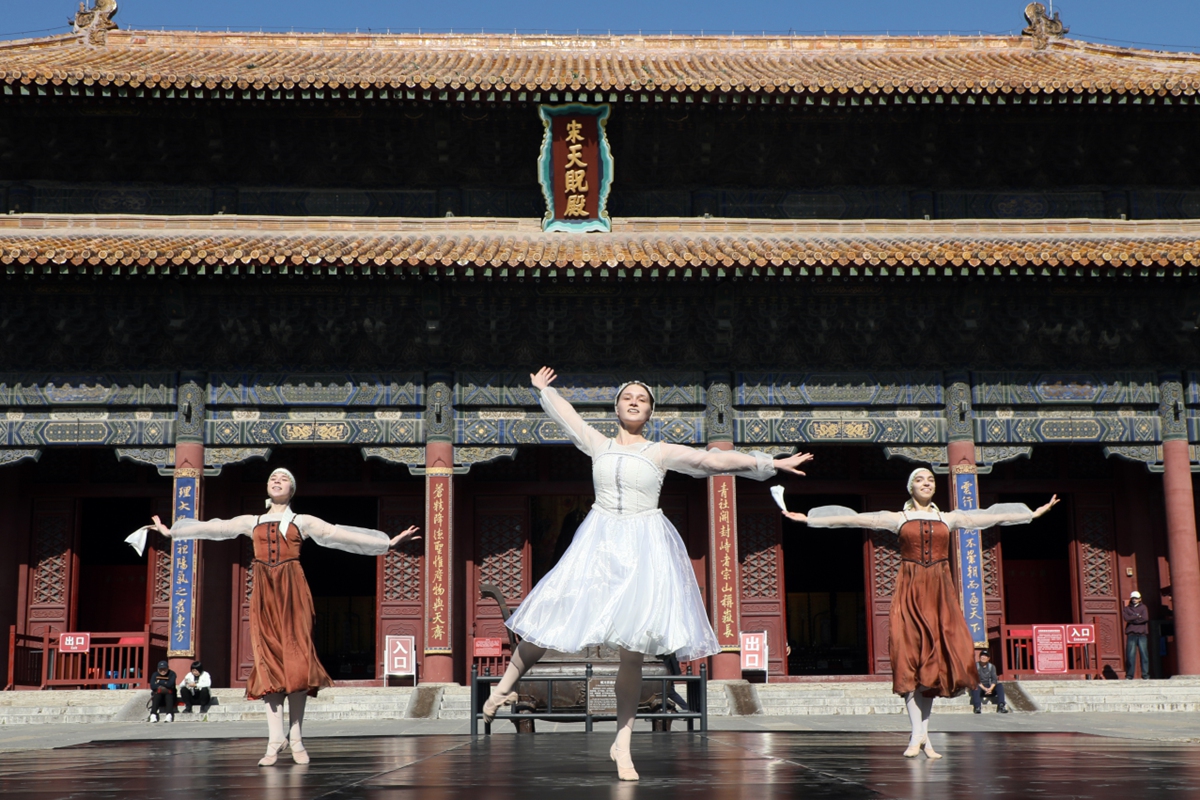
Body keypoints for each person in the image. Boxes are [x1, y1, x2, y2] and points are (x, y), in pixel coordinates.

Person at [487, 368, 813, 781]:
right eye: (628, 397)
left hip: (643, 548)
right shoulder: (599, 445)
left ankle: (622, 743)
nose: (635, 401)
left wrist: (768, 461)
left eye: (642, 398)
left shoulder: (659, 451)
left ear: (651, 410)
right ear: (617, 407)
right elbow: (569, 418)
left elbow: (711, 459)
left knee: (633, 648)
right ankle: (506, 683)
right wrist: (545, 391)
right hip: (600, 543)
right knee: (554, 609)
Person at [133, 468, 419, 766]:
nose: (276, 481)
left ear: (291, 489)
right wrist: (172, 532)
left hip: (293, 591)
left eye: (283, 479)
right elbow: (215, 528)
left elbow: (339, 534)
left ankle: (295, 738)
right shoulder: (251, 521)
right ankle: (274, 740)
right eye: (271, 479)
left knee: (296, 664)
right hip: (264, 594)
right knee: (268, 665)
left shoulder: (302, 521)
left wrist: (387, 544)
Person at [779, 468, 1057, 759]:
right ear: (910, 487)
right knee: (911, 660)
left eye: (931, 480)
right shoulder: (898, 518)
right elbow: (853, 518)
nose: (927, 484)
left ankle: (923, 736)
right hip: (910, 592)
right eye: (920, 480)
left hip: (939, 594)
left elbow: (988, 516)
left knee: (933, 666)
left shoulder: (948, 518)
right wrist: (810, 519)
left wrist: (1031, 514)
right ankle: (917, 735)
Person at [1124, 590, 1150, 680]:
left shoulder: (1143, 608)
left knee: (1144, 655)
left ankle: (1145, 675)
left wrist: (1133, 618)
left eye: (1136, 598)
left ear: (1140, 599)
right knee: (1130, 655)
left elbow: (1145, 618)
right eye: (1133, 598)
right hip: (1131, 634)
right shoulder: (1127, 608)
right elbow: (1126, 618)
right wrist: (1137, 616)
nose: (1134, 599)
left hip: (1142, 634)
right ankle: (1129, 675)